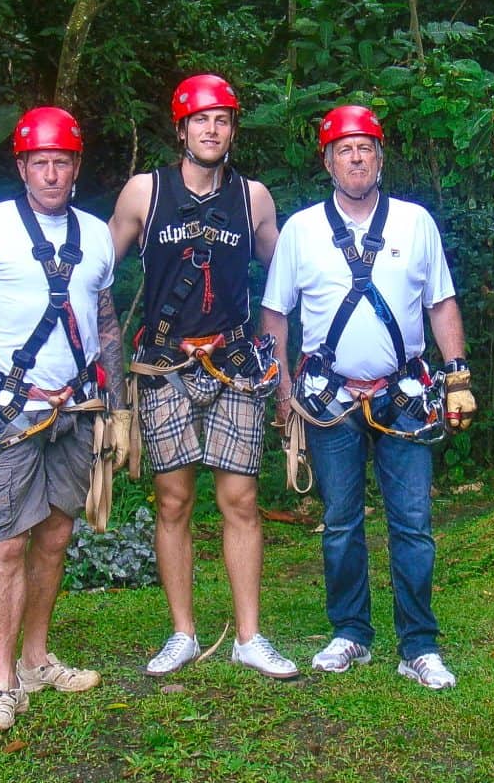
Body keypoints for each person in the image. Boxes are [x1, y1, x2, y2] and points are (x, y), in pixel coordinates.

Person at [0, 106, 127, 732]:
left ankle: (36, 659)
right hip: (10, 409)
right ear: (22, 167)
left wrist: (118, 409)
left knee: (56, 537)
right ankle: (3, 682)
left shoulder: (95, 234)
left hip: (77, 409)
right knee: (6, 544)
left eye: (62, 162)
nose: (51, 173)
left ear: (76, 166)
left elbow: (107, 324)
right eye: (41, 162)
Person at [260, 103, 476, 687]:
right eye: (344, 150)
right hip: (328, 399)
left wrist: (457, 376)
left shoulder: (415, 222)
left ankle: (418, 645)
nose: (356, 159)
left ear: (380, 158)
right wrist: (282, 390)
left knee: (413, 522)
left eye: (365, 149)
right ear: (328, 162)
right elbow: (275, 315)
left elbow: (441, 302)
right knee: (340, 522)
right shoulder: (302, 230)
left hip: (404, 394)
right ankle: (351, 632)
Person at [109, 73, 298, 679]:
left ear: (233, 130)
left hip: (235, 362)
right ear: (182, 129)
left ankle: (249, 636)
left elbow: (289, 275)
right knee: (173, 499)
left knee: (240, 499)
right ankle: (182, 633)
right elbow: (94, 273)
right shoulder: (144, 193)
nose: (212, 130)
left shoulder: (253, 199)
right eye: (201, 120)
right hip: (164, 364)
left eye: (222, 120)